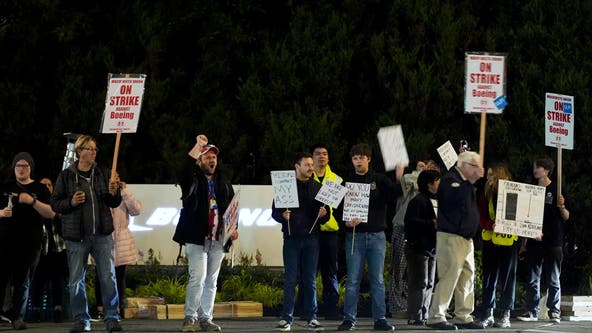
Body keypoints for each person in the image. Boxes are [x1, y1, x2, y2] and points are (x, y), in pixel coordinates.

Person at [51, 135, 123, 333]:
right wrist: (72, 202)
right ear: (79, 152)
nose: (93, 152)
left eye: (95, 149)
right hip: (77, 237)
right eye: (89, 149)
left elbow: (113, 202)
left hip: (102, 235)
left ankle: (111, 317)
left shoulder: (103, 173)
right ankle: (82, 320)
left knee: (108, 277)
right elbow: (55, 203)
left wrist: (115, 192)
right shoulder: (66, 176)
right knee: (76, 280)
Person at [173, 134, 238, 332]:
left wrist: (234, 228)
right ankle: (190, 317)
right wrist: (196, 146)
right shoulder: (191, 179)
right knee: (198, 277)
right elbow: (183, 169)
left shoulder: (224, 182)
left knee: (211, 280)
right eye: (207, 157)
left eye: (214, 157)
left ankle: (206, 319)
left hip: (218, 239)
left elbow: (233, 208)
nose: (212, 160)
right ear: (199, 161)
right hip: (196, 237)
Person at [337, 143, 396, 331]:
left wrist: (400, 174)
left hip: (377, 236)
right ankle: (349, 319)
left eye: (362, 157)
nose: (358, 161)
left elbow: (396, 194)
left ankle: (380, 319)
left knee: (377, 279)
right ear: (352, 161)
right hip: (355, 236)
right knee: (353, 280)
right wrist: (345, 222)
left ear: (369, 159)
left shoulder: (380, 180)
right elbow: (337, 210)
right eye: (355, 158)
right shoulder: (345, 183)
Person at [426, 151, 485, 330]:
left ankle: (463, 314)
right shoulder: (450, 180)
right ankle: (436, 315)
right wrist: (471, 182)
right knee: (450, 275)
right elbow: (452, 198)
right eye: (474, 166)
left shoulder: (464, 183)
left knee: (467, 277)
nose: (477, 170)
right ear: (464, 165)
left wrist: (471, 182)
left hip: (466, 238)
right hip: (451, 236)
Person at [272, 152, 328, 332]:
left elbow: (326, 215)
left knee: (310, 280)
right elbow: (274, 212)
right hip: (291, 239)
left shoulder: (319, 187)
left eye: (312, 165)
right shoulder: (285, 185)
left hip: (312, 239)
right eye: (307, 165)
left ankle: (312, 318)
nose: (311, 168)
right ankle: (286, 318)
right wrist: (282, 216)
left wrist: (323, 216)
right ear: (297, 166)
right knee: (290, 279)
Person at [0, 152, 55, 330]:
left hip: (30, 242)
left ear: (30, 168)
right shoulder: (5, 186)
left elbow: (51, 213)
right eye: (18, 166)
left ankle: (18, 317)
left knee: (22, 281)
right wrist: (1, 213)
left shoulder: (40, 189)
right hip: (5, 241)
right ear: (13, 168)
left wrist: (31, 201)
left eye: (25, 166)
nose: (21, 169)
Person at [517, 157, 569, 323]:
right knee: (533, 278)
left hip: (554, 240)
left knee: (553, 277)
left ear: (546, 170)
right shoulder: (531, 190)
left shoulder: (557, 189)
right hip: (534, 240)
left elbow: (567, 216)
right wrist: (523, 243)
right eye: (534, 166)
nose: (535, 170)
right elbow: (526, 217)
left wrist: (562, 206)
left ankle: (554, 310)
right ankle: (532, 310)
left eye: (538, 167)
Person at [94, 177, 142, 320]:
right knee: (101, 275)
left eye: (116, 180)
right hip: (103, 236)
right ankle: (100, 309)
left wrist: (125, 191)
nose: (113, 182)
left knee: (119, 276)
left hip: (121, 240)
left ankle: (118, 309)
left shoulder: (123, 194)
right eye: (111, 180)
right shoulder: (102, 193)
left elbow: (136, 210)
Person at [478, 164, 518, 328]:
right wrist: (490, 224)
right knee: (489, 279)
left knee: (507, 280)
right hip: (490, 242)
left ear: (499, 176)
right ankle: (488, 313)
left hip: (508, 243)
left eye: (490, 175)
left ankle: (505, 314)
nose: (487, 178)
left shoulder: (514, 192)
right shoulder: (485, 194)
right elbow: (481, 216)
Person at [404, 169, 440, 326]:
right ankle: (415, 314)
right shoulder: (418, 201)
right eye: (437, 180)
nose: (440, 183)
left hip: (432, 248)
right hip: (418, 248)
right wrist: (430, 224)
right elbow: (410, 223)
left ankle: (424, 313)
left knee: (429, 283)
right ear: (429, 184)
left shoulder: (435, 200)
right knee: (419, 283)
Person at [310, 143, 343, 320]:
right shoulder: (307, 178)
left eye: (325, 153)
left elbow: (340, 208)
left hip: (330, 231)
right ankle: (308, 308)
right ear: (312, 157)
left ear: (328, 158)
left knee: (330, 271)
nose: (321, 156)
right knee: (309, 271)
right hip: (311, 231)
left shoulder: (336, 180)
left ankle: (331, 308)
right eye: (318, 154)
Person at [30, 177, 68, 323]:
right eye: (43, 185)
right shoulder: (34, 203)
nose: (46, 187)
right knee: (37, 280)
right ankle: (35, 310)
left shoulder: (58, 203)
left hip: (58, 247)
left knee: (58, 280)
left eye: (49, 184)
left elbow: (64, 220)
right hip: (39, 248)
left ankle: (58, 310)